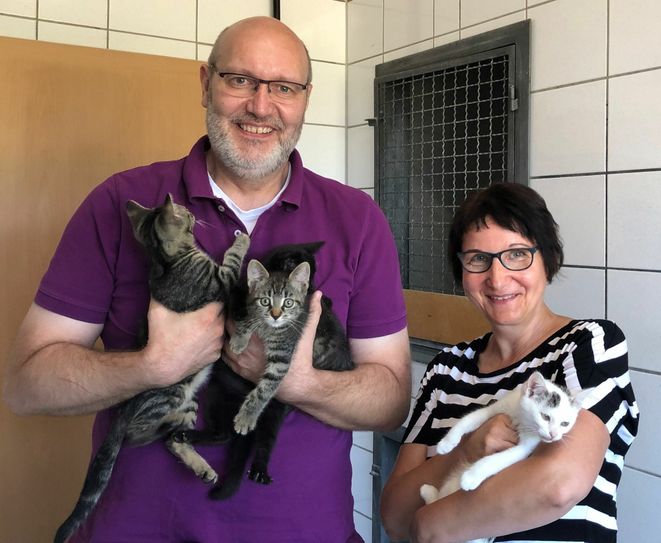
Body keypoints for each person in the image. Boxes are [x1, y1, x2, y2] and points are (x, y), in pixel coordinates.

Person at [3, 16, 411, 542]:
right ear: (205, 83)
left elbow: (391, 400)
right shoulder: (121, 203)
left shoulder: (357, 219)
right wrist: (152, 365)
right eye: (240, 80)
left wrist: (300, 382)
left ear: (305, 99)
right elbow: (26, 385)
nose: (261, 106)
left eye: (283, 88)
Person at [380, 183, 639, 543]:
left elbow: (558, 485)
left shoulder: (588, 345)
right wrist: (467, 449)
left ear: (548, 259)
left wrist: (430, 525)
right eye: (478, 259)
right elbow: (394, 516)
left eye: (517, 254)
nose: (497, 278)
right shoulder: (444, 371)